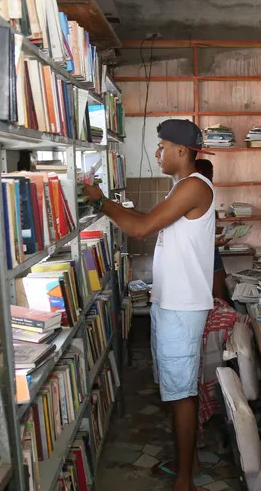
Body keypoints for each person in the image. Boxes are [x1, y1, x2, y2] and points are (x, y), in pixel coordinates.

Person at [83, 119, 215, 491]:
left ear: (182, 151)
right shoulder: (182, 187)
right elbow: (143, 221)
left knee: (181, 393)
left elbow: (141, 229)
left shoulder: (192, 186)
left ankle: (185, 479)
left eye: (162, 146)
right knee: (177, 388)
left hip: (182, 306)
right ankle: (186, 461)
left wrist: (101, 201)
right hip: (172, 302)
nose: (157, 152)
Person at [195, 159, 232, 303]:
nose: (211, 176)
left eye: (212, 173)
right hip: (202, 254)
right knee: (216, 298)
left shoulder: (206, 190)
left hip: (211, 251)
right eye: (208, 173)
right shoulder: (196, 191)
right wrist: (214, 242)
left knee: (220, 297)